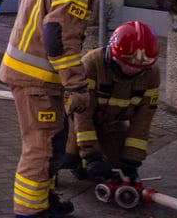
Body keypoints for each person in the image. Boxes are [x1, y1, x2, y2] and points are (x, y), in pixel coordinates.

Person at [0, 0, 136, 218]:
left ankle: (43, 199)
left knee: (54, 140)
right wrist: (77, 86)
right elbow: (59, 36)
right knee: (42, 145)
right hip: (38, 79)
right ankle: (30, 212)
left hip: (30, 72)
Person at [66, 21, 161, 183]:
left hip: (112, 123)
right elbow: (83, 115)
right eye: (128, 64)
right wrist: (91, 156)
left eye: (141, 66)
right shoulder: (92, 64)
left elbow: (142, 121)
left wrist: (131, 161)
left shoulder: (151, 74)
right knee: (69, 156)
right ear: (113, 54)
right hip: (74, 119)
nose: (134, 70)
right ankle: (66, 163)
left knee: (116, 167)